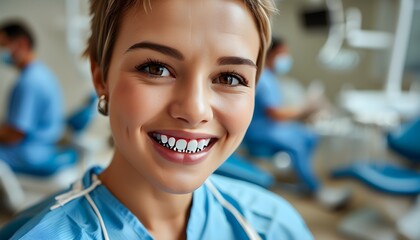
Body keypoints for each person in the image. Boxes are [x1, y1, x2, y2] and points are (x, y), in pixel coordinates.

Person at [1, 1, 313, 239]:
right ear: (101, 77)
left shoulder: (273, 225)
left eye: (230, 77)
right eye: (156, 69)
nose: (195, 109)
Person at [244, 36, 350, 209]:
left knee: (309, 136)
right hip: (259, 131)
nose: (286, 58)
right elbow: (275, 114)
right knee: (297, 144)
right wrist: (304, 110)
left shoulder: (272, 77)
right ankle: (318, 191)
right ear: (272, 54)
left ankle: (304, 180)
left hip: (271, 127)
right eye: (283, 54)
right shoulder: (262, 78)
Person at [0, 20, 65, 172]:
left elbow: (15, 134)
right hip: (44, 147)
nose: (1, 51)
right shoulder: (42, 73)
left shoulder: (28, 82)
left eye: (3, 44)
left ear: (22, 44)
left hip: (30, 154)